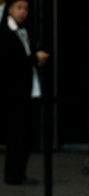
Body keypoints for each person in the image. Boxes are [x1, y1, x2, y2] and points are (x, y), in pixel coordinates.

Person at [0, 0, 49, 185]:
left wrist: (35, 59)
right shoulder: (6, 32)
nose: (23, 12)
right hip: (13, 92)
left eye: (26, 8)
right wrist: (34, 58)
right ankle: (14, 175)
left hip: (24, 90)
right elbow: (10, 61)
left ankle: (19, 173)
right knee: (17, 135)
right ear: (10, 9)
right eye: (19, 8)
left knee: (23, 134)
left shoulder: (22, 30)